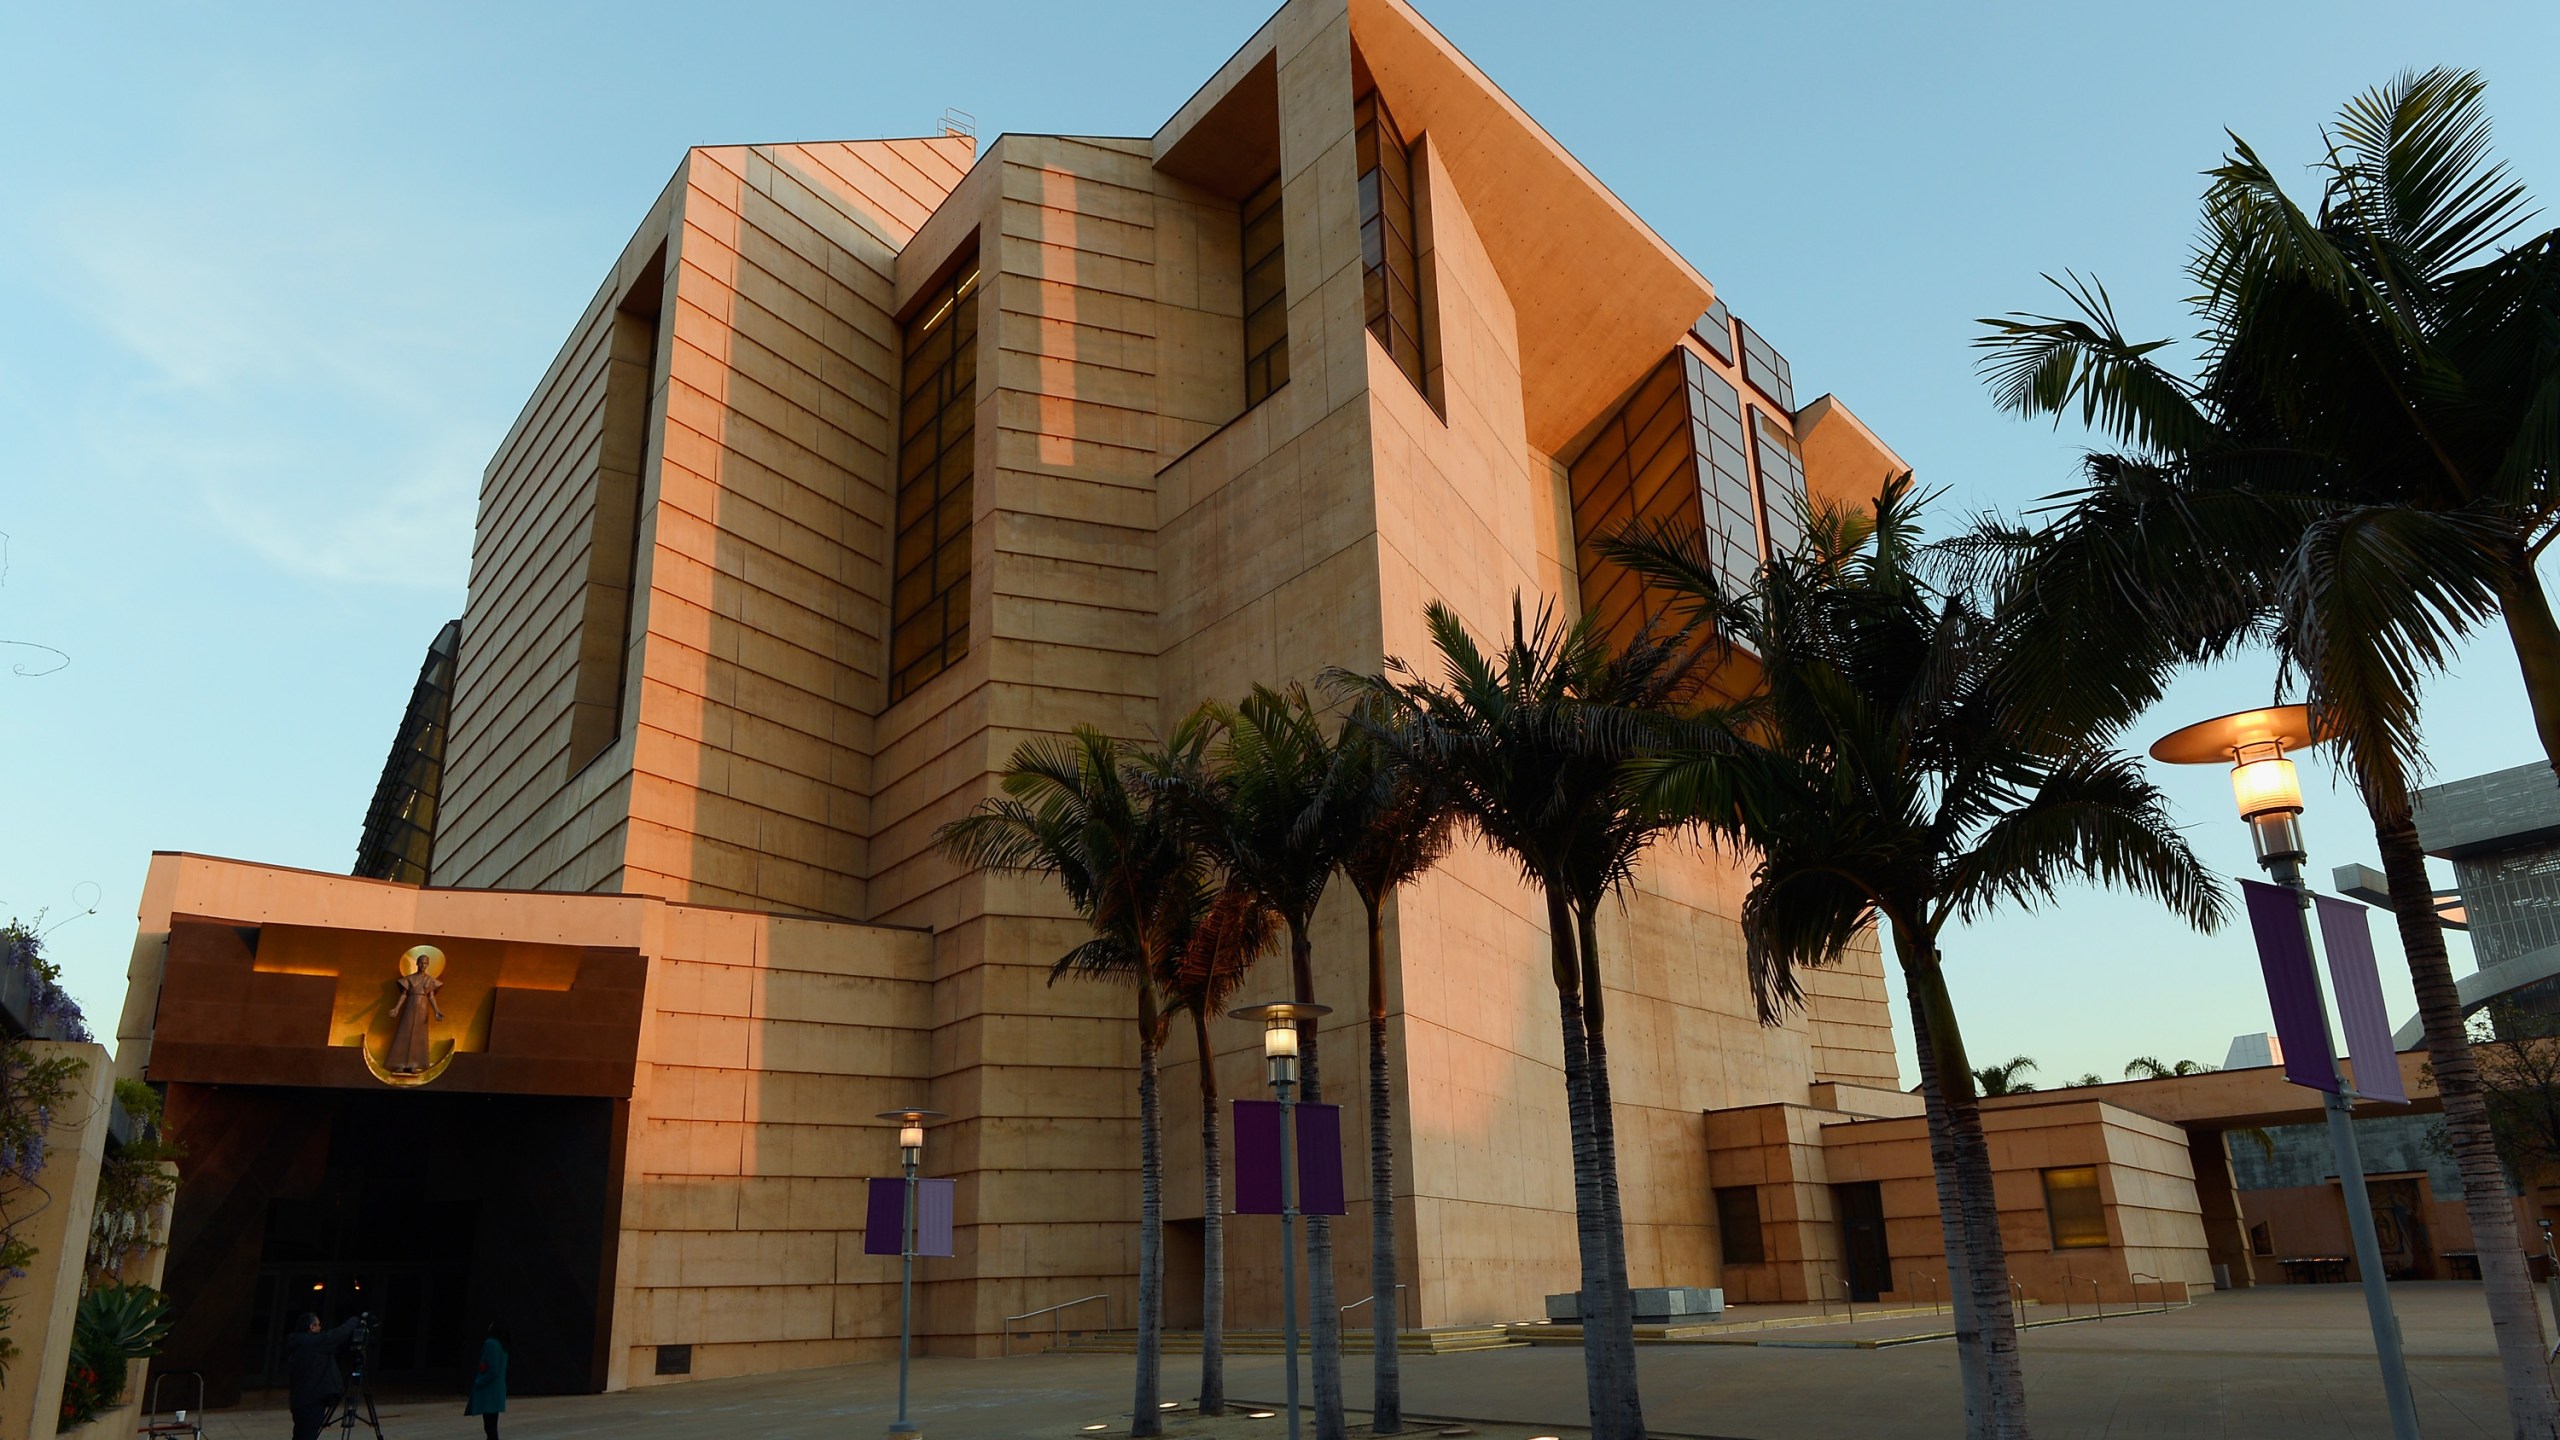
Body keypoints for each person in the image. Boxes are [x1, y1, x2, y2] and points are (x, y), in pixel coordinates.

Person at [283, 1311, 360, 1440]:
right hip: (312, 1401)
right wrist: (355, 1320)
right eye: (318, 1325)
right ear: (311, 1327)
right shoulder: (314, 1343)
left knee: (300, 1435)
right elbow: (337, 1334)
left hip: (299, 1400)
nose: (320, 1328)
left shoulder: (297, 1343)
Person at [385, 950, 444, 1073]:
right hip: (410, 1006)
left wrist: (436, 1011)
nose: (423, 965)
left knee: (419, 1036)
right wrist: (397, 1008)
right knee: (404, 1033)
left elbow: (431, 996)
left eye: (425, 963)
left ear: (428, 965)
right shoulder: (409, 979)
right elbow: (404, 994)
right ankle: (399, 1063)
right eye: (421, 963)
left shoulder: (430, 980)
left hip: (423, 1008)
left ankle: (414, 1063)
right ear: (417, 963)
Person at [465, 1320, 509, 1439]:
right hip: (497, 1391)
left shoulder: (491, 1343)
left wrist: (479, 1382)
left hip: (489, 1391)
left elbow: (492, 1369)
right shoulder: (502, 1345)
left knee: (489, 1427)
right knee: (492, 1426)